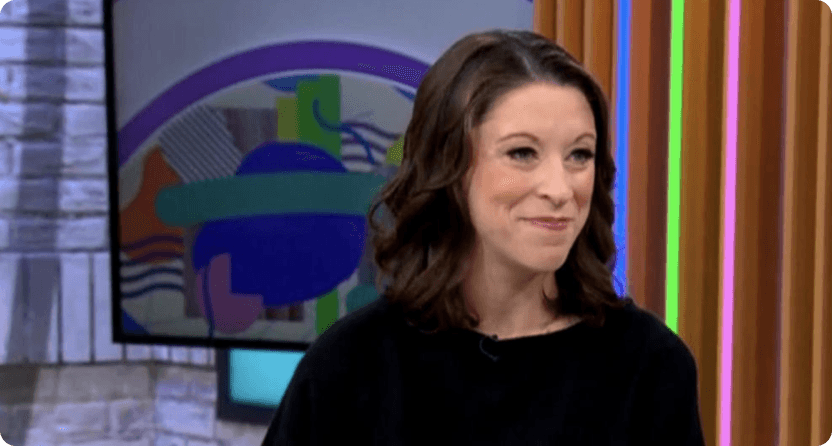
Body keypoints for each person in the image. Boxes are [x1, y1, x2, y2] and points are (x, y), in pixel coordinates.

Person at [261, 29, 705, 445]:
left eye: (579, 155)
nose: (560, 188)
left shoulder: (650, 367)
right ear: (448, 169)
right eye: (522, 153)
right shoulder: (349, 365)